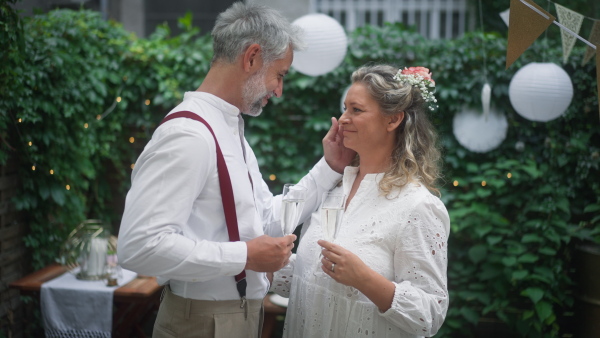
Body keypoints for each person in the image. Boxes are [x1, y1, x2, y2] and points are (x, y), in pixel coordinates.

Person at [117, 3, 354, 338]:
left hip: (238, 316)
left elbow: (265, 220)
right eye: (280, 74)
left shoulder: (228, 127)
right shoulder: (188, 135)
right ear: (252, 57)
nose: (279, 90)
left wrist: (330, 167)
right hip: (201, 322)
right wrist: (244, 255)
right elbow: (138, 247)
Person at [270, 64, 450, 337]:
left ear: (392, 120)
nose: (342, 119)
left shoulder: (418, 206)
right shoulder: (334, 189)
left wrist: (364, 278)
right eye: (345, 108)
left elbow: (429, 315)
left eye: (356, 110)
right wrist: (262, 262)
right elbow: (311, 276)